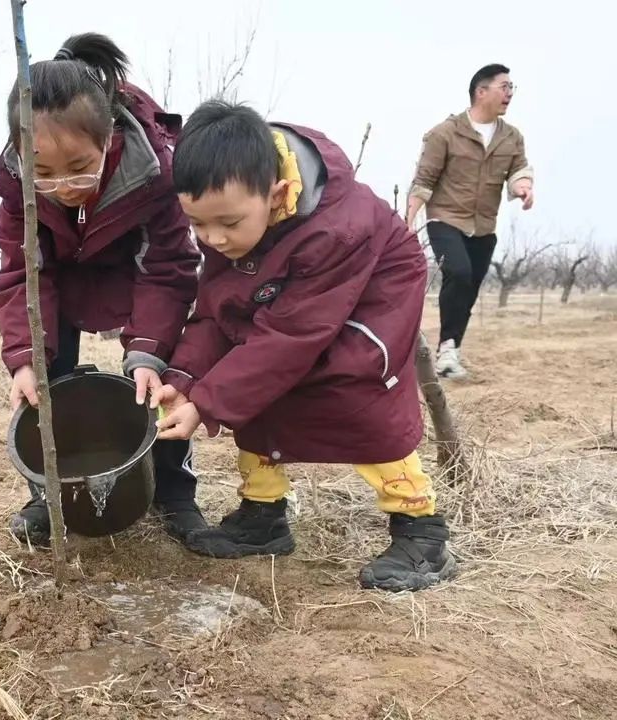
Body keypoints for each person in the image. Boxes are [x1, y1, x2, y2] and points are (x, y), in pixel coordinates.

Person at [151, 100, 456, 593]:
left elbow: (289, 340)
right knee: (252, 375)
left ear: (277, 195)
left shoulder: (336, 227)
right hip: (290, 301)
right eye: (198, 225)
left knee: (353, 391)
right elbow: (216, 310)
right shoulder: (232, 219)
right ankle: (263, 515)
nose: (212, 239)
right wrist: (183, 378)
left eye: (227, 224)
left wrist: (207, 401)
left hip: (372, 295)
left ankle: (421, 530)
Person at [0, 33, 208, 547]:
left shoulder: (155, 175)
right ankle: (49, 497)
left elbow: (167, 267)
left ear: (109, 138)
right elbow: (23, 273)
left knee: (157, 384)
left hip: (136, 278)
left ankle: (173, 492)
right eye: (42, 172)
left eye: (79, 168)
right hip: (60, 282)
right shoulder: (18, 194)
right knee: (47, 382)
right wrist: (25, 358)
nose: (63, 186)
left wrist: (148, 353)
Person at [407, 63, 535, 379]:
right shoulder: (445, 133)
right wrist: (407, 223)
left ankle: (449, 352)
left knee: (469, 288)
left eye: (511, 88)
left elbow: (519, 169)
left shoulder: (511, 137)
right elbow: (424, 179)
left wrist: (523, 187)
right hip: (445, 218)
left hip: (484, 226)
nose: (509, 94)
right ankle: (445, 350)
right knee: (459, 273)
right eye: (504, 87)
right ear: (481, 91)